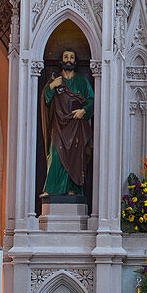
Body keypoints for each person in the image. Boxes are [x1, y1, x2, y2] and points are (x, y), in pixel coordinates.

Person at [41, 48, 95, 197]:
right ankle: (51, 190)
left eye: (71, 57)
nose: (69, 59)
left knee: (76, 157)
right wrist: (52, 86)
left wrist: (84, 111)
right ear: (61, 61)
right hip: (58, 125)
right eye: (66, 57)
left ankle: (74, 189)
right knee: (56, 154)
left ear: (75, 62)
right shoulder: (55, 80)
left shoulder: (82, 81)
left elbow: (91, 100)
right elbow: (46, 100)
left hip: (76, 125)